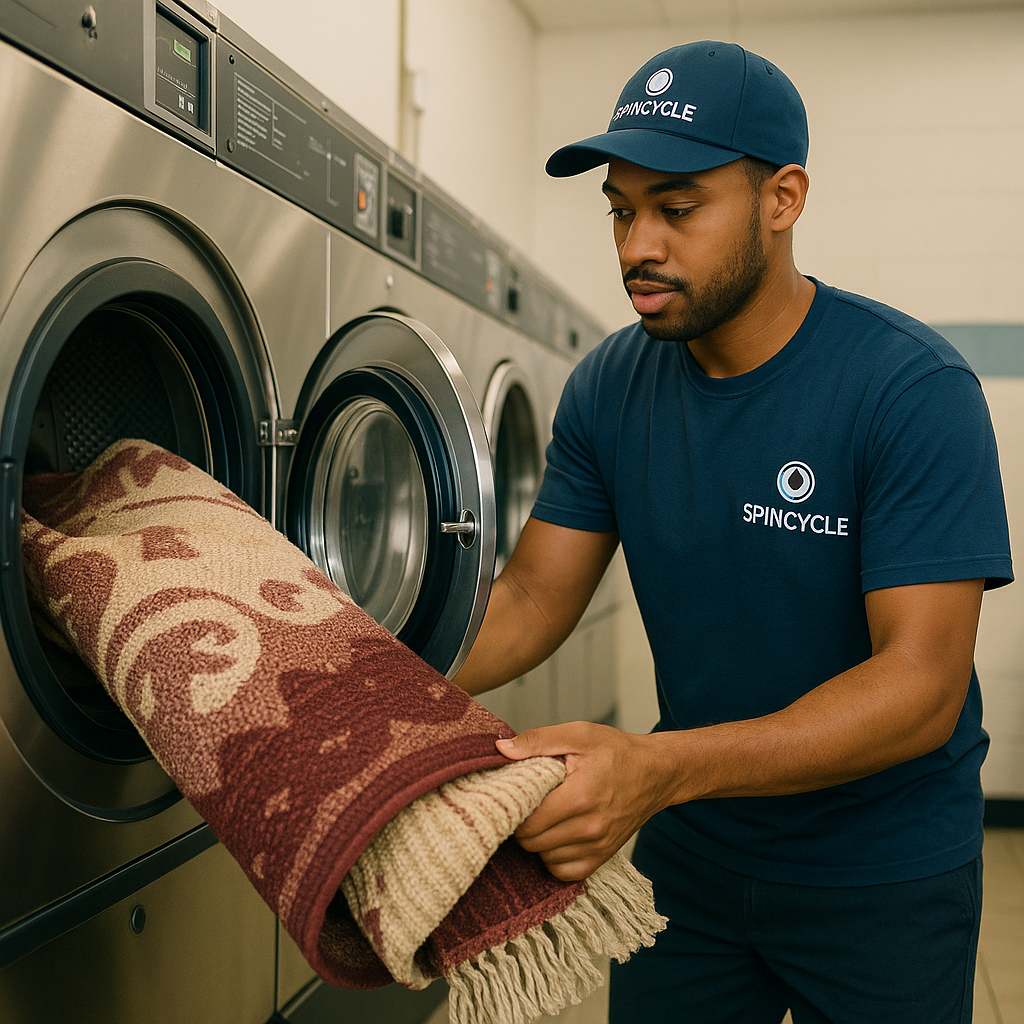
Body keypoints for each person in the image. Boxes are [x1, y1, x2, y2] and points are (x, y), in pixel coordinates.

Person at [453, 40, 1012, 1024]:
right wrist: (353, 689)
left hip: (880, 872)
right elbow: (535, 597)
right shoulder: (607, 386)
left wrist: (659, 767)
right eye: (621, 210)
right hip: (696, 859)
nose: (636, 247)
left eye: (676, 209)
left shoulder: (907, 389)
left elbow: (919, 686)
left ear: (781, 199)